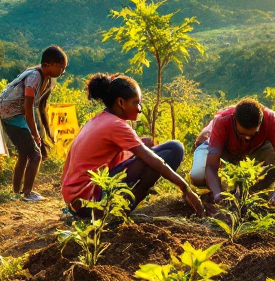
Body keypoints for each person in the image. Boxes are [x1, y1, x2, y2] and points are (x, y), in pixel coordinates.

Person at [64, 74, 205, 218]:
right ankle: (118, 214)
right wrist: (185, 188)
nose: (139, 109)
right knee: (174, 150)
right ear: (121, 102)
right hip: (90, 202)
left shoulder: (98, 120)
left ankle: (113, 209)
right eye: (136, 102)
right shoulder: (115, 125)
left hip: (75, 201)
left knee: (150, 146)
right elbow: (151, 158)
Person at [189, 99, 275, 208]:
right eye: (242, 134)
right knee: (198, 175)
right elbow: (211, 166)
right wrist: (218, 195)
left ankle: (257, 188)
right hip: (225, 152)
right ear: (234, 120)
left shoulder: (271, 119)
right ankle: (217, 190)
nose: (247, 138)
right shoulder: (222, 121)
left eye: (252, 134)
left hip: (252, 152)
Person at [0, 46, 68, 203]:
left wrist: (43, 132)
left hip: (15, 114)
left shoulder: (47, 80)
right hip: (11, 114)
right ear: (50, 64)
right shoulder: (34, 77)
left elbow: (40, 108)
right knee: (35, 154)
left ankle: (16, 192)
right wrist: (36, 135)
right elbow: (28, 110)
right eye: (61, 67)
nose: (62, 72)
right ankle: (27, 193)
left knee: (24, 153)